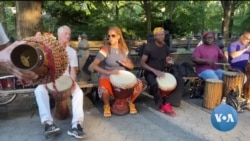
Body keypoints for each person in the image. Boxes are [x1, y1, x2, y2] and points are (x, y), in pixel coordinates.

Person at [34, 25, 86, 139]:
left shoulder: (71, 51)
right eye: (65, 34)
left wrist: (72, 82)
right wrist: (44, 80)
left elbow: (73, 70)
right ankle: (48, 123)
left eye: (69, 34)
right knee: (39, 90)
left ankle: (77, 125)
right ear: (58, 35)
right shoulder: (48, 49)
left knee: (79, 93)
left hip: (66, 79)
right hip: (50, 78)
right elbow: (43, 67)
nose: (68, 36)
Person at [90, 26, 143, 117]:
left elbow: (131, 66)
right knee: (104, 89)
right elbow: (93, 65)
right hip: (108, 74)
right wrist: (108, 72)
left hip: (122, 75)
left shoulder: (124, 49)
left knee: (139, 84)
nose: (110, 38)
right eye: (109, 36)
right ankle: (106, 105)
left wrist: (127, 65)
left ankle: (128, 101)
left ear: (118, 36)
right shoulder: (105, 49)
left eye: (113, 35)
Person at [140, 27, 184, 117]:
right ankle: (161, 105)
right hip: (150, 72)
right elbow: (142, 64)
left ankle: (168, 102)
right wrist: (154, 71)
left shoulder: (165, 48)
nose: (161, 36)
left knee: (180, 81)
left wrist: (169, 63)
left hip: (162, 72)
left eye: (162, 34)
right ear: (155, 37)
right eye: (158, 34)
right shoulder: (149, 47)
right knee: (155, 84)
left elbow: (166, 63)